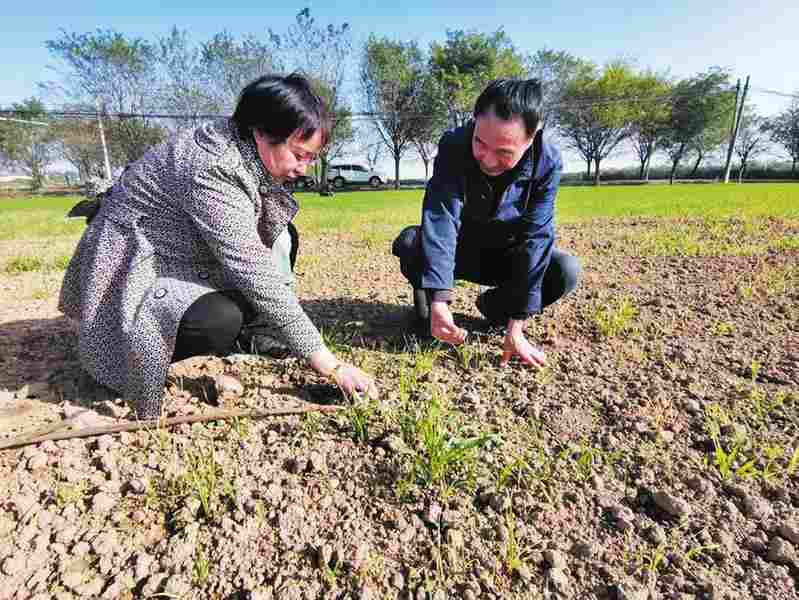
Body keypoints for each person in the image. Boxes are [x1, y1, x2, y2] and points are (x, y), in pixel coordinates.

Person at [60, 73, 378, 420]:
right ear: (261, 132)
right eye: (299, 155)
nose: (303, 169)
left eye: (311, 158)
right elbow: (256, 274)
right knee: (217, 320)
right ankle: (132, 346)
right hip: (134, 268)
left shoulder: (241, 145)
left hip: (180, 251)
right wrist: (331, 366)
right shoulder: (213, 168)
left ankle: (254, 333)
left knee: (282, 234)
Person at [392, 78, 581, 367]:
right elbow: (441, 217)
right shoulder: (454, 145)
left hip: (508, 256)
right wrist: (439, 297)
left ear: (532, 137)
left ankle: (497, 308)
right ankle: (429, 314)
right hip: (462, 250)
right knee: (411, 241)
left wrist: (517, 323)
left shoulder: (548, 162)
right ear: (474, 122)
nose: (488, 160)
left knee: (565, 270)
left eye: (504, 152)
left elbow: (537, 237)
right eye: (480, 143)